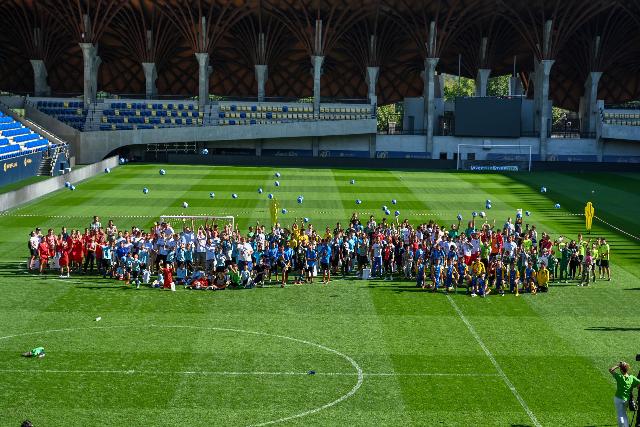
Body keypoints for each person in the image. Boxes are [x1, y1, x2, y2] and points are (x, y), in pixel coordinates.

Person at [609, 361, 640, 427]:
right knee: (624, 413)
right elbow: (639, 384)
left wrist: (618, 365)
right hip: (626, 400)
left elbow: (611, 370)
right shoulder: (631, 378)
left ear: (621, 370)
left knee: (620, 414)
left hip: (618, 399)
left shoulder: (620, 377)